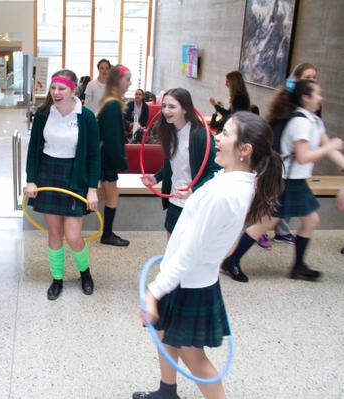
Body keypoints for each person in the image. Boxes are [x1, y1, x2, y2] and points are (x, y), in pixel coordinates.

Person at [135, 112, 284, 399]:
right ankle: (166, 391)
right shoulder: (234, 183)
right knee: (164, 332)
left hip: (189, 282)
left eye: (226, 133)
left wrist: (153, 292)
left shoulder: (225, 194)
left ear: (245, 150)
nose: (217, 137)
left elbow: (190, 251)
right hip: (193, 277)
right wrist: (195, 201)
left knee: (197, 360)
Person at [221, 80, 344, 283]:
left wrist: (336, 151)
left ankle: (298, 266)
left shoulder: (313, 120)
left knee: (310, 220)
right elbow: (304, 156)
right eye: (317, 94)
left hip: (296, 180)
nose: (321, 98)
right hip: (286, 180)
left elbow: (328, 148)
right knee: (267, 222)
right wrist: (333, 144)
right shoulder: (300, 123)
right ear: (306, 98)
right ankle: (232, 260)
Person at [25, 69, 100, 300]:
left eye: (61, 88)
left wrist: (92, 189)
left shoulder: (86, 117)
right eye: (53, 88)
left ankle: (85, 273)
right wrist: (30, 179)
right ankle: (57, 279)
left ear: (73, 90)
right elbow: (33, 149)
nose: (56, 93)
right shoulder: (43, 113)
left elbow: (94, 156)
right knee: (54, 233)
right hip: (48, 175)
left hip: (74, 177)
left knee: (74, 235)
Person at [257, 62, 321, 250]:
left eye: (314, 78)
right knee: (271, 216)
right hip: (284, 171)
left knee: (308, 219)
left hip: (293, 174)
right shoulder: (290, 112)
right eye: (308, 77)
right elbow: (294, 150)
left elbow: (319, 137)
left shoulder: (309, 112)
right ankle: (234, 257)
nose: (312, 81)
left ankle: (295, 260)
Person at [141, 88, 220, 235]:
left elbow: (216, 170)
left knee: (189, 246)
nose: (165, 111)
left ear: (184, 109)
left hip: (195, 201)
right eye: (164, 106)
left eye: (172, 107)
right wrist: (156, 177)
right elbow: (172, 165)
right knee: (171, 238)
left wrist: (193, 190)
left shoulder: (200, 135)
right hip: (175, 199)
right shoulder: (170, 132)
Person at [98, 65, 132, 246]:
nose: (130, 83)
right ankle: (107, 234)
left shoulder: (110, 103)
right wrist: (121, 161)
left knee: (105, 194)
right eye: (127, 79)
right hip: (106, 159)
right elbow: (112, 140)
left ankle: (107, 233)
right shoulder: (112, 106)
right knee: (112, 196)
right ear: (118, 81)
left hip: (104, 158)